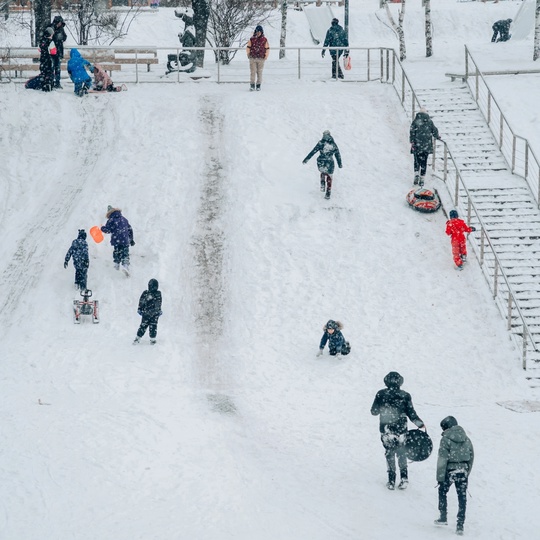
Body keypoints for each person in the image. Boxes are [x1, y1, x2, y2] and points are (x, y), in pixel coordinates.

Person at [370, 371, 426, 490]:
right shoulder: (405, 395)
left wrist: (383, 408)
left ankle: (391, 480)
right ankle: (404, 478)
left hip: (386, 429)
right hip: (401, 430)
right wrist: (419, 423)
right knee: (402, 453)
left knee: (389, 453)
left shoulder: (381, 394)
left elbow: (373, 412)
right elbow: (411, 413)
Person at [434, 416, 474, 536]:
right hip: (463, 471)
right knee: (462, 498)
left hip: (450, 471)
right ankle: (460, 525)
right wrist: (467, 472)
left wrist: (440, 478)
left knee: (442, 491)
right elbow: (471, 457)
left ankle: (443, 516)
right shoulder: (466, 439)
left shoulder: (445, 439)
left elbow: (442, 459)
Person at [303, 130, 342, 200]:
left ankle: (322, 184)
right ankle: (328, 192)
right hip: (330, 162)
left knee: (323, 172)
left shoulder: (321, 143)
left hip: (321, 161)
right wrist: (339, 164)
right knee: (329, 175)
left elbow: (313, 151)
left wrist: (306, 159)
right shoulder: (333, 144)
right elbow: (337, 154)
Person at [410, 108, 441, 186]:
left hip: (417, 144)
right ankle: (422, 179)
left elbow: (412, 132)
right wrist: (437, 136)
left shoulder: (415, 121)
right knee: (424, 162)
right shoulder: (429, 122)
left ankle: (416, 174)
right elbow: (434, 130)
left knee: (416, 161)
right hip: (426, 146)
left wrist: (412, 141)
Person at [101, 206, 135, 274]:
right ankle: (125, 266)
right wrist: (131, 239)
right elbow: (130, 229)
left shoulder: (111, 220)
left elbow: (108, 230)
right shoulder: (124, 219)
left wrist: (102, 228)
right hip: (125, 239)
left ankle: (116, 266)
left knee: (117, 252)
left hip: (116, 239)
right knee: (125, 253)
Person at [133, 279, 162, 345]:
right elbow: (141, 301)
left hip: (153, 314)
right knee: (143, 326)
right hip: (147, 314)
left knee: (153, 327)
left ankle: (152, 339)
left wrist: (158, 310)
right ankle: (138, 338)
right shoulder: (146, 293)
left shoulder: (157, 294)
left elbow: (158, 303)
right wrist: (140, 308)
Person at [246, 25, 269, 91]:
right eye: (257, 32)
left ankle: (258, 85)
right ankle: (252, 85)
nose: (258, 33)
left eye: (259, 32)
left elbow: (267, 48)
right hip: (253, 58)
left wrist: (265, 56)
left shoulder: (264, 40)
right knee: (252, 72)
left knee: (259, 72)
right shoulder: (252, 39)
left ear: (261, 32)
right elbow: (248, 47)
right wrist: (248, 54)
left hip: (261, 58)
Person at [50, 15, 67, 89]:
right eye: (59, 22)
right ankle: (51, 81)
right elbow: (48, 38)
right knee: (52, 67)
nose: (60, 24)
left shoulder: (61, 29)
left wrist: (61, 38)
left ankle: (57, 82)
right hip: (52, 51)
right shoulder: (51, 28)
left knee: (57, 68)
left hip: (58, 51)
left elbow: (65, 37)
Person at [38, 27, 56, 92]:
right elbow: (53, 51)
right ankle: (49, 84)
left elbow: (39, 49)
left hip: (42, 58)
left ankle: (43, 84)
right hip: (49, 59)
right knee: (49, 72)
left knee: (43, 72)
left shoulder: (41, 41)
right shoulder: (51, 42)